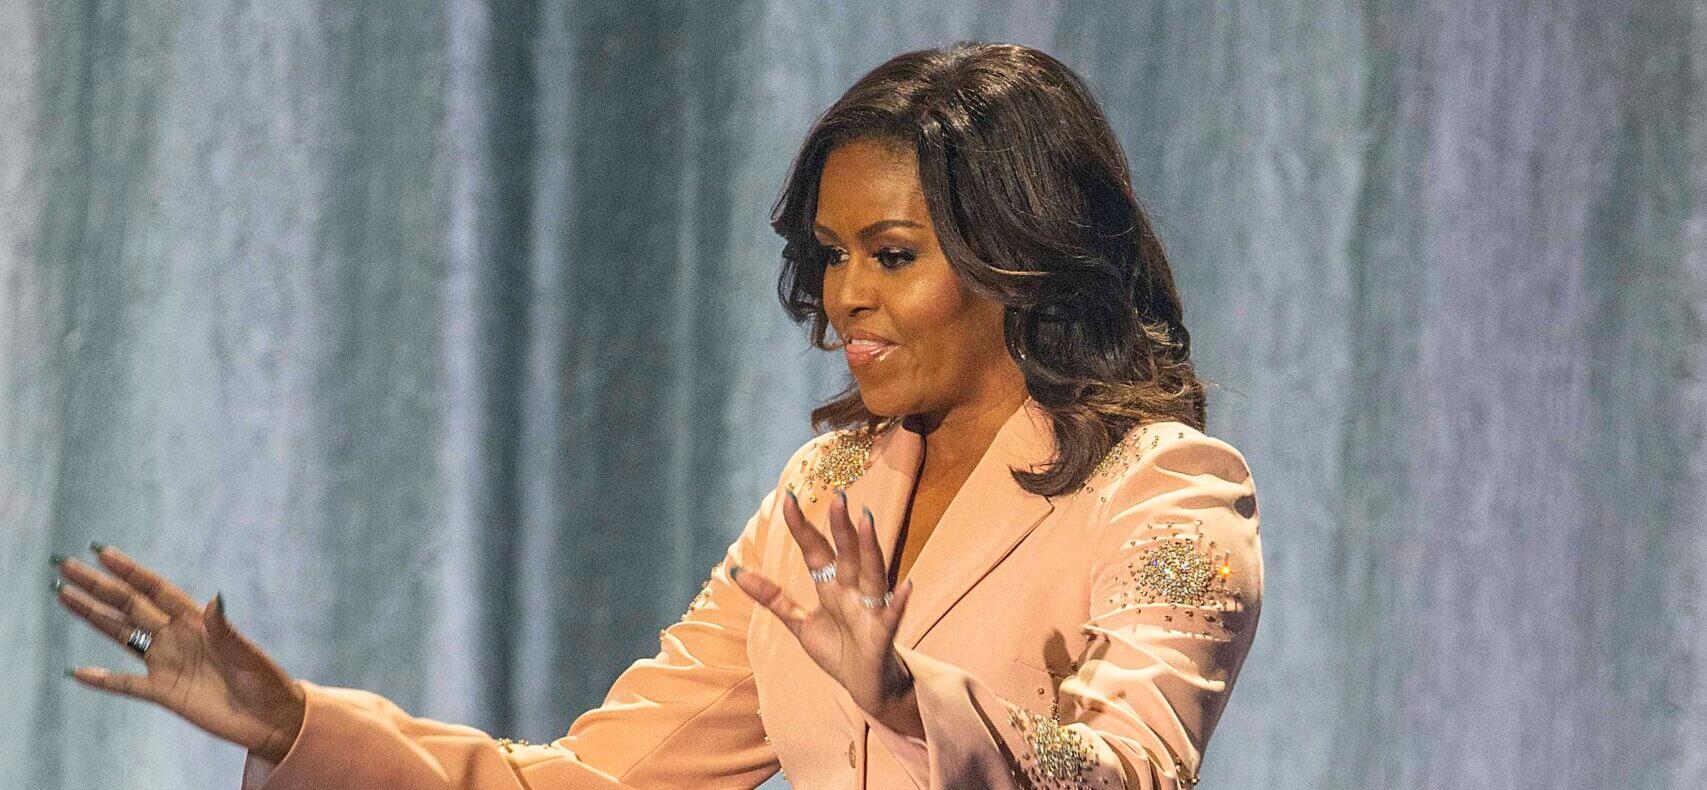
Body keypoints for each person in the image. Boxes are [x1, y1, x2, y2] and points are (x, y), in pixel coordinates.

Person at [51, 41, 1263, 789]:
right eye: (832, 252)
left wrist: (905, 696)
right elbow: (599, 780)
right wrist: (299, 725)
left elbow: (1130, 772)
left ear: (1020, 253)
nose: (845, 294)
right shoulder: (825, 492)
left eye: (892, 254)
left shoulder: (1165, 489)